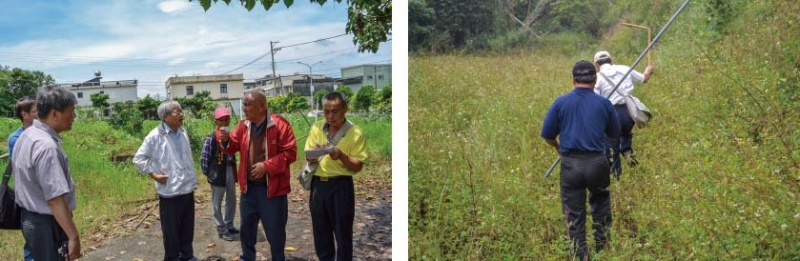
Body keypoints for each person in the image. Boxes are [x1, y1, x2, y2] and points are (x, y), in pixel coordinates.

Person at [540, 60, 620, 260]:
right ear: (595, 80)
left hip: (570, 165)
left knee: (574, 214)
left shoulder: (560, 103)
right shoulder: (605, 104)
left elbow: (548, 135)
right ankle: (602, 250)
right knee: (601, 206)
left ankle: (580, 255)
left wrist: (559, 149)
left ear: (573, 80)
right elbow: (614, 133)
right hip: (597, 163)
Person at [219, 90, 297, 261]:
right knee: (247, 230)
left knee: (275, 232)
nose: (244, 108)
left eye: (248, 105)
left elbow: (290, 153)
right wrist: (225, 140)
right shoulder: (243, 126)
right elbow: (233, 146)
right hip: (249, 189)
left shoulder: (279, 125)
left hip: (272, 191)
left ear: (262, 107)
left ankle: (278, 258)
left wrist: (267, 166)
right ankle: (247, 257)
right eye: (244, 104)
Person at [12, 86, 81, 260]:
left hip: (31, 219)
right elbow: (55, 199)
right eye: (71, 111)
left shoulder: (27, 135)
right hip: (47, 225)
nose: (74, 116)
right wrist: (73, 236)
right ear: (55, 114)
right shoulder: (46, 146)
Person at [133, 101, 198, 261]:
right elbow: (139, 159)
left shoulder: (182, 132)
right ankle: (171, 258)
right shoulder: (155, 136)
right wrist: (153, 174)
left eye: (181, 111)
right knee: (171, 233)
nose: (182, 114)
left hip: (186, 189)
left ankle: (187, 256)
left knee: (187, 228)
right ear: (166, 117)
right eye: (178, 112)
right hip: (170, 193)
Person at [305, 92, 367, 261]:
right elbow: (308, 155)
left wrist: (341, 155)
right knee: (320, 232)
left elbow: (358, 165)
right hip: (318, 186)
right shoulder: (317, 127)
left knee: (343, 233)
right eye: (326, 111)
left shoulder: (355, 133)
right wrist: (313, 155)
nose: (330, 116)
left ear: (345, 109)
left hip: (341, 187)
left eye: (335, 111)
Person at [593, 51, 654, 176]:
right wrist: (648, 70)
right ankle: (627, 150)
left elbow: (595, 100)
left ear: (596, 65)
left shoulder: (597, 78)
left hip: (611, 114)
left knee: (611, 146)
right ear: (611, 60)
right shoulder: (625, 69)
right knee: (625, 132)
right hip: (629, 111)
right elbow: (644, 79)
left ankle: (616, 176)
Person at [200, 107, 239, 241]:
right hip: (217, 173)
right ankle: (221, 229)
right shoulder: (211, 138)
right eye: (221, 120)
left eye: (227, 119)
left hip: (229, 170)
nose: (224, 123)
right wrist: (209, 175)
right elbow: (204, 159)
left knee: (231, 199)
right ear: (216, 122)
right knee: (217, 203)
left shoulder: (231, 136)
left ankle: (229, 224)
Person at [6, 96, 37, 261]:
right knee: (32, 243)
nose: (39, 113)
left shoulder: (41, 133)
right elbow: (23, 169)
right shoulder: (16, 139)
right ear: (25, 115)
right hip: (28, 198)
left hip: (41, 197)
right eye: (35, 111)